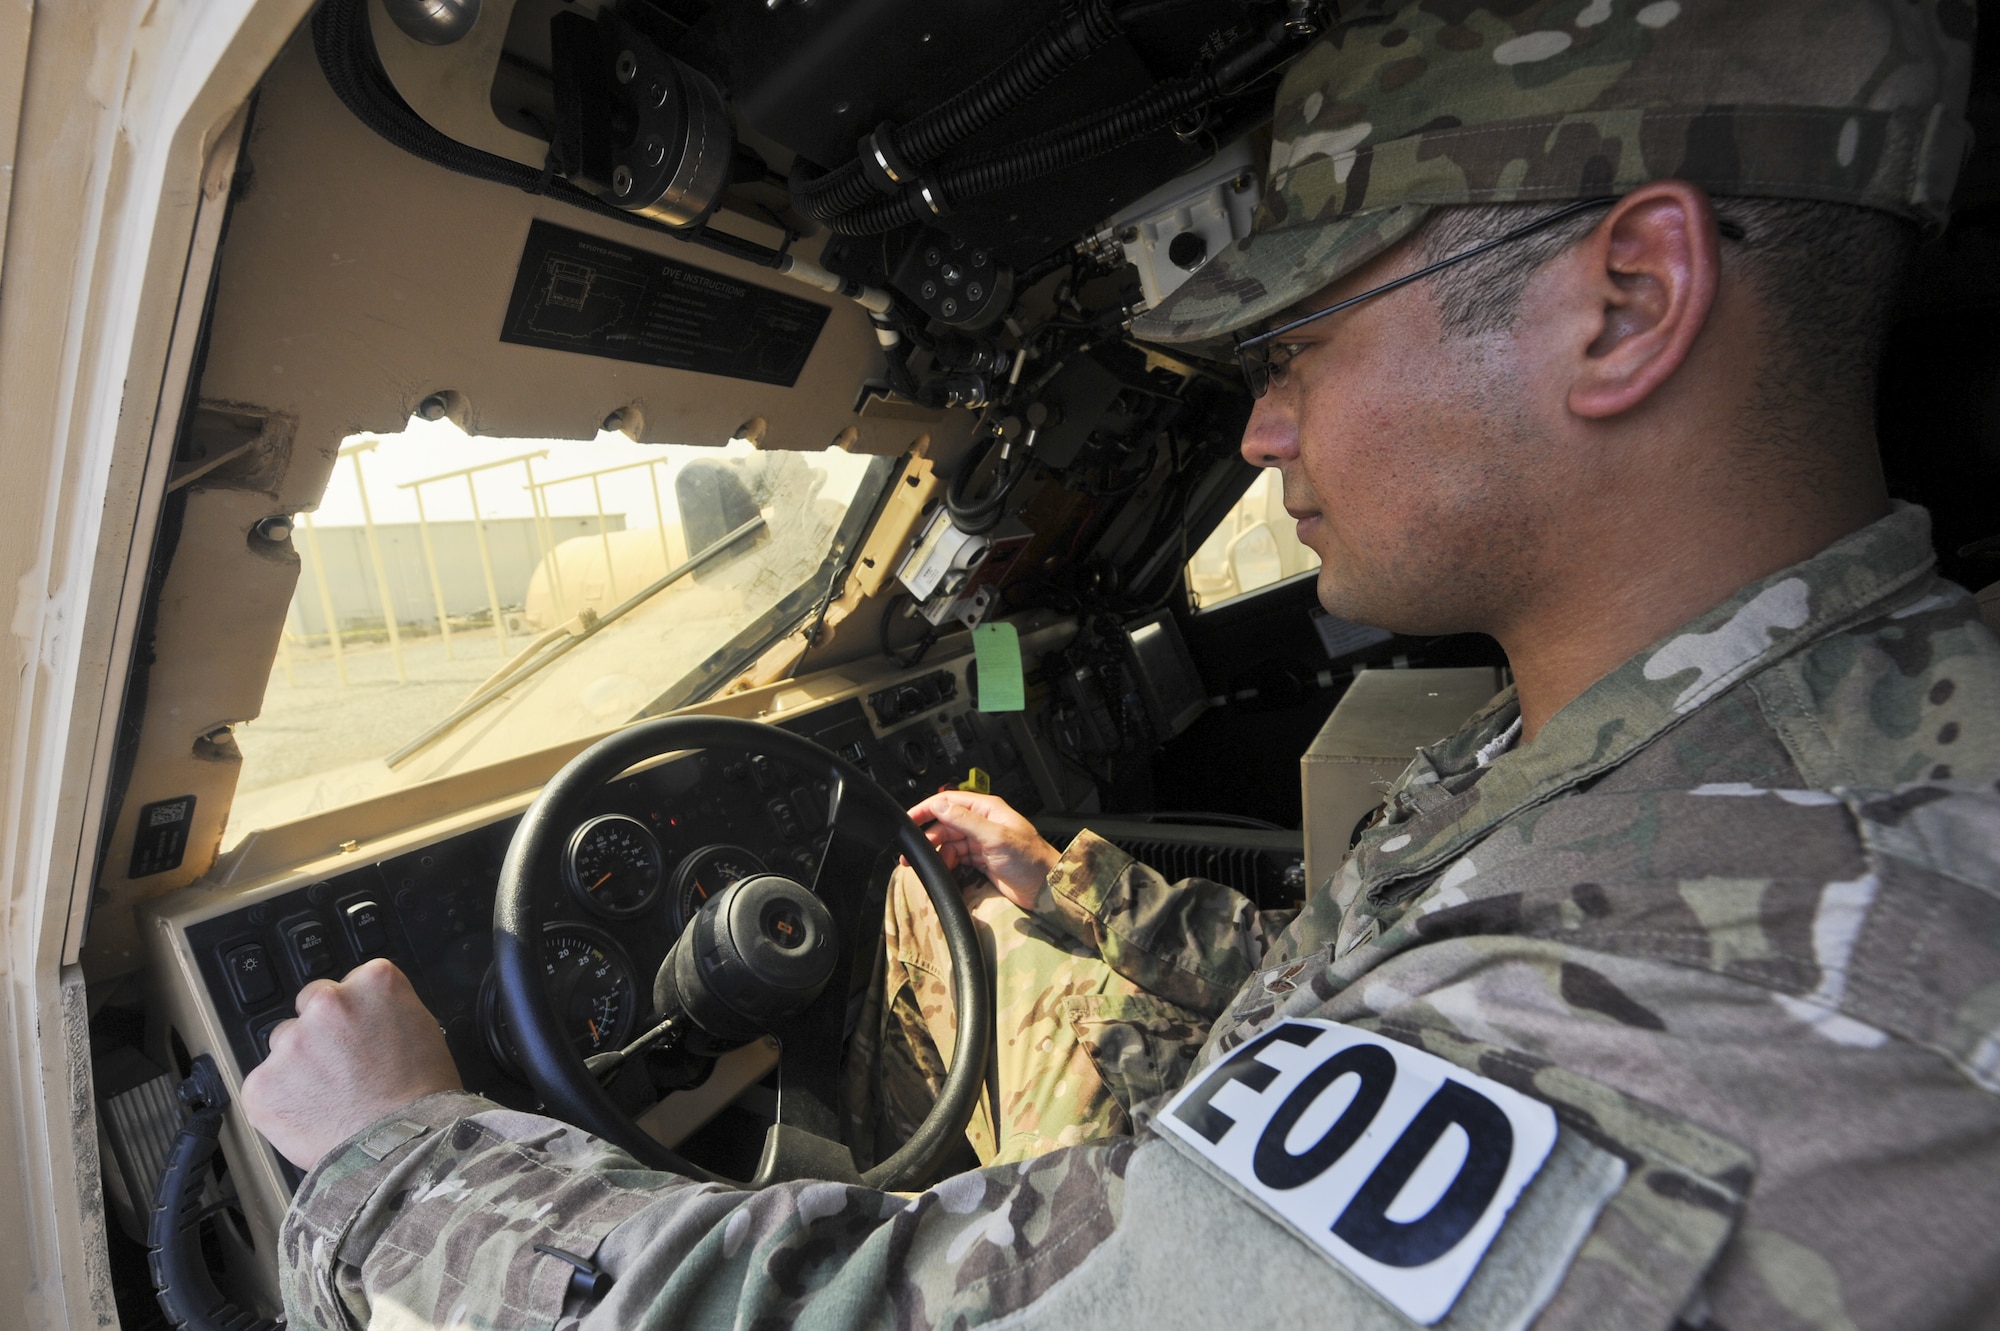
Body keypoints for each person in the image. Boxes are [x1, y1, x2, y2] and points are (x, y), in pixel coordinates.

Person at [243, 2, 2000, 1328]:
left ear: (1627, 301)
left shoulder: (1798, 972)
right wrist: (1078, 892)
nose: (1263, 427)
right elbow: (1371, 1011)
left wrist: (402, 1160)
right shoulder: (1661, 749)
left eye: (1305, 336)